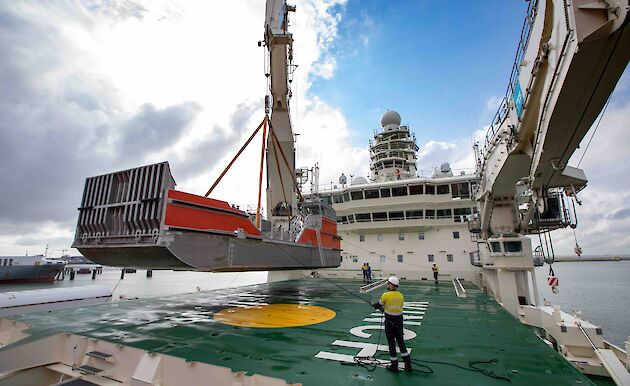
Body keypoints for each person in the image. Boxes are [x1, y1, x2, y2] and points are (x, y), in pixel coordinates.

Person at [372, 276, 411, 372]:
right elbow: (395, 307)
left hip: (389, 323)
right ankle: (408, 365)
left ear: (392, 285)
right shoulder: (401, 295)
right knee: (401, 343)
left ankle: (394, 366)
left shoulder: (386, 295)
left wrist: (375, 306)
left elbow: (379, 304)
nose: (388, 285)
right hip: (399, 322)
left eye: (388, 283)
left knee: (391, 344)